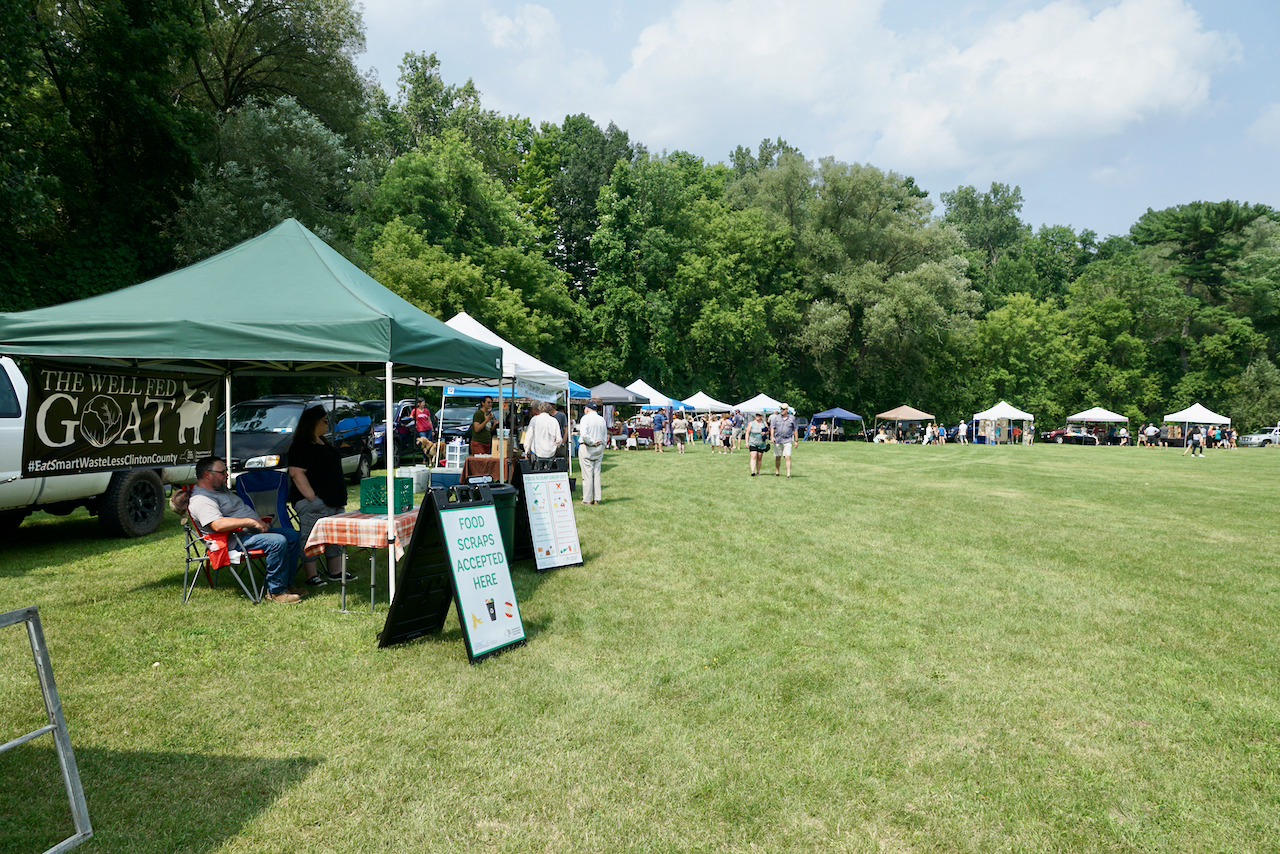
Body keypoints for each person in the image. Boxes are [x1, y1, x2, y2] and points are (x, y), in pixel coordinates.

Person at [188, 456, 303, 603]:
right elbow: (217, 524)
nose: (226, 475)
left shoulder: (219, 490)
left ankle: (287, 585)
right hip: (233, 540)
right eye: (222, 472)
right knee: (277, 541)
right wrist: (251, 521)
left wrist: (256, 519)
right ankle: (276, 592)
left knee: (292, 535)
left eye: (226, 471)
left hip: (247, 533)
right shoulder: (201, 499)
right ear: (207, 475)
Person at [288, 406, 356, 586]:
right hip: (315, 502)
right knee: (310, 537)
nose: (328, 424)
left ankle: (336, 572)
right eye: (324, 421)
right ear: (313, 423)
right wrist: (313, 499)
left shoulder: (322, 441)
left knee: (334, 537)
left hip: (333, 501)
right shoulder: (301, 445)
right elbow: (296, 473)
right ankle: (311, 576)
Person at [578, 399, 607, 504]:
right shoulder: (601, 419)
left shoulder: (585, 418)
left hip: (588, 447)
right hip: (599, 448)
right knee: (596, 473)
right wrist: (602, 445)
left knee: (587, 474)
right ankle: (596, 498)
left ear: (587, 409)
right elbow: (605, 434)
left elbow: (584, 435)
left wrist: (591, 442)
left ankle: (587, 499)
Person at [769, 403, 798, 477]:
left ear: (787, 410)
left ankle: (788, 474)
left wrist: (796, 441)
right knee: (778, 456)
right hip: (778, 440)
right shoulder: (777, 418)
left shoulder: (792, 418)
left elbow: (795, 429)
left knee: (787, 456)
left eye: (783, 409)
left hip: (787, 440)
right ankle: (777, 472)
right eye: (781, 409)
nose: (781, 410)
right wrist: (772, 437)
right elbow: (772, 427)